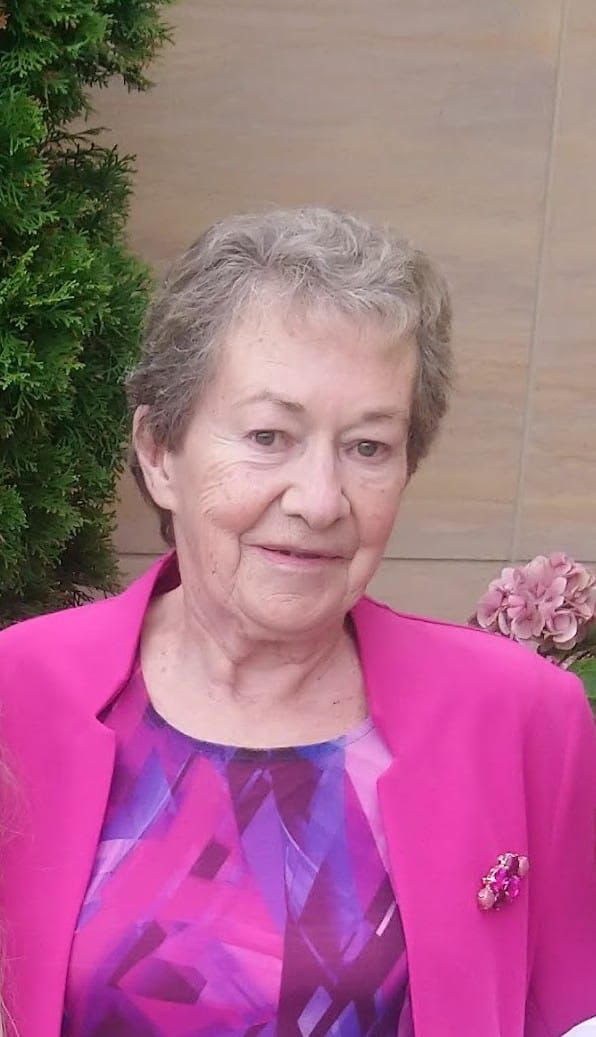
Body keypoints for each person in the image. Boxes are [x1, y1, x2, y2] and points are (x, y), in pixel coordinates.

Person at [0, 207, 594, 1037]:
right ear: (160, 452)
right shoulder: (18, 694)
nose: (319, 501)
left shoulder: (523, 718)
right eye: (269, 435)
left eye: (368, 447)